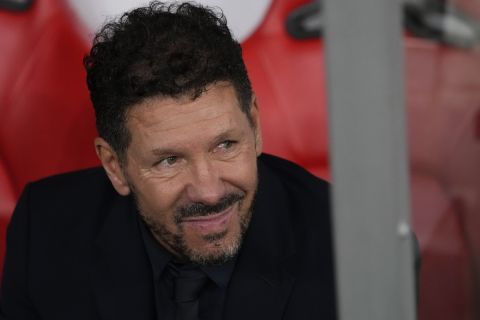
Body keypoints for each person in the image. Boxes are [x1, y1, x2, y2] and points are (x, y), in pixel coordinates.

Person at [0, 1, 336, 319]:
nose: (208, 192)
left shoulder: (339, 245)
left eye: (225, 145)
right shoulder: (45, 230)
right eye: (169, 161)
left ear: (255, 126)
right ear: (114, 166)